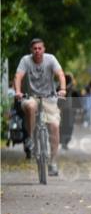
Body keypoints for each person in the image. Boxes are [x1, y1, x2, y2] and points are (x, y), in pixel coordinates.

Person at [14, 38, 67, 175]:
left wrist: (62, 89)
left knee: (55, 127)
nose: (37, 51)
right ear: (31, 50)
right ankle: (30, 139)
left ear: (44, 49)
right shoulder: (25, 60)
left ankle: (53, 163)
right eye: (34, 48)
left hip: (49, 97)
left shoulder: (50, 59)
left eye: (40, 48)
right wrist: (18, 92)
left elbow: (60, 74)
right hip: (31, 96)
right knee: (31, 106)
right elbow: (18, 76)